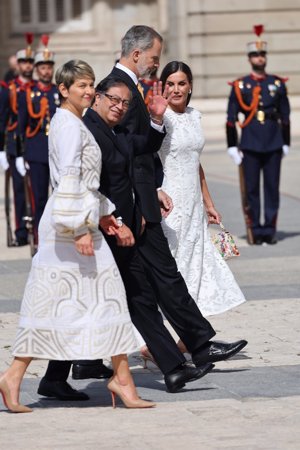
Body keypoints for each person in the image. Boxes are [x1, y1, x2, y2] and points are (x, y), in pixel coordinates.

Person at [74, 25, 247, 388]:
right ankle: (80, 364)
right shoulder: (116, 90)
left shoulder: (131, 89)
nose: (156, 65)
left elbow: (135, 147)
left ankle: (186, 352)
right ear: (137, 54)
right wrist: (139, 199)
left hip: (139, 203)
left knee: (145, 285)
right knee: (135, 286)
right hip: (127, 209)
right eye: (154, 58)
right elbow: (120, 156)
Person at [0, 59, 155, 413]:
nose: (87, 91)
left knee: (92, 300)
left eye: (90, 85)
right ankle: (15, 375)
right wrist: (83, 228)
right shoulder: (69, 125)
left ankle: (120, 379)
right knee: (79, 299)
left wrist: (110, 218)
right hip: (70, 229)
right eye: (80, 86)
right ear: (63, 89)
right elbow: (69, 180)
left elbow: (85, 185)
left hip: (76, 222)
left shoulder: (73, 122)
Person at [156, 61, 245, 352]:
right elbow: (144, 158)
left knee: (198, 267)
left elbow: (196, 162)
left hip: (194, 203)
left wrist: (209, 202)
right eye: (170, 83)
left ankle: (189, 340)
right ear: (162, 86)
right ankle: (169, 343)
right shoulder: (159, 117)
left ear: (190, 86)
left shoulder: (195, 116)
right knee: (177, 268)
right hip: (169, 204)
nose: (176, 89)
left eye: (181, 83)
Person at [226, 25, 291, 245]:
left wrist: (286, 142)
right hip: (251, 142)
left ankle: (269, 229)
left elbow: (286, 115)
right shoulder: (240, 85)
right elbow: (231, 117)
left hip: (273, 141)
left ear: (266, 57)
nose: (259, 58)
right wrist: (232, 146)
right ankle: (255, 229)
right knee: (252, 190)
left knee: (272, 188)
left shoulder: (277, 83)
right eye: (255, 54)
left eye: (262, 54)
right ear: (249, 58)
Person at [17, 35, 60, 247]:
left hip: (57, 152)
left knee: (59, 198)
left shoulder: (57, 92)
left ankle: (58, 237)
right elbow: (21, 125)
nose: (46, 71)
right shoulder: (28, 94)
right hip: (36, 152)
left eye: (49, 67)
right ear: (37, 69)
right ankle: (41, 239)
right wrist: (19, 153)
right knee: (39, 199)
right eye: (42, 67)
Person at [0, 34, 36, 246]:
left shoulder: (39, 87)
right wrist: (2, 150)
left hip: (35, 144)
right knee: (19, 191)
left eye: (30, 62)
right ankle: (21, 232)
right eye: (24, 62)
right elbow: (2, 118)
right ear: (19, 65)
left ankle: (36, 229)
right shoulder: (9, 89)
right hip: (15, 144)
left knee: (38, 189)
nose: (27, 66)